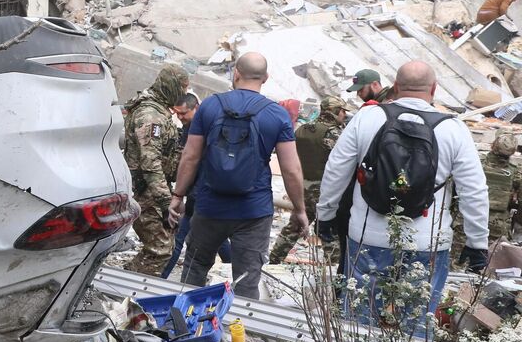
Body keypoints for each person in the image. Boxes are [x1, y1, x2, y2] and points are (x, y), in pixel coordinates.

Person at [316, 61, 489, 320]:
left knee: (359, 320)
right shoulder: (453, 129)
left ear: (395, 87)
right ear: (434, 88)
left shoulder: (367, 117)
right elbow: (474, 190)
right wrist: (477, 243)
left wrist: (325, 214)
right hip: (427, 242)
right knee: (417, 324)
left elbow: (335, 170)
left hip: (367, 237)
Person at [169, 52, 309, 299]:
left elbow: (190, 156)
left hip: (209, 206)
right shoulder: (277, 115)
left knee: (195, 268)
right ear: (265, 78)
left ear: (235, 73)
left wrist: (178, 195)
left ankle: (186, 328)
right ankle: (240, 334)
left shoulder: (210, 106)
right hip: (253, 212)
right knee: (246, 281)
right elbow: (291, 169)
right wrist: (299, 209)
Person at [122, 64, 189, 276]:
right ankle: (127, 290)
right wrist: (165, 201)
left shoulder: (159, 110)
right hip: (144, 192)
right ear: (171, 86)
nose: (184, 94)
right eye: (183, 88)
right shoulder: (151, 116)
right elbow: (150, 163)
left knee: (163, 244)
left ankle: (129, 282)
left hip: (151, 190)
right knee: (160, 248)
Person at [269, 95, 349, 265]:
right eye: (342, 111)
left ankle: (274, 260)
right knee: (329, 231)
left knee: (294, 227)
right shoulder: (337, 135)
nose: (344, 115)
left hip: (301, 188)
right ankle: (332, 270)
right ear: (335, 111)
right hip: (325, 191)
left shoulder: (302, 130)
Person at [163, 92, 233, 277]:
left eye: (183, 113)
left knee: (179, 238)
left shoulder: (203, 126)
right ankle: (234, 268)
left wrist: (181, 194)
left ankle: (160, 280)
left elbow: (193, 160)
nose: (180, 117)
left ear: (196, 108)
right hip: (200, 192)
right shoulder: (191, 125)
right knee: (217, 237)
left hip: (201, 192)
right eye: (176, 113)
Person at [481, 131, 519, 247]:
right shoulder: (516, 172)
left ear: (493, 145)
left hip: (468, 217)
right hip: (499, 222)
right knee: (495, 259)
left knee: (459, 260)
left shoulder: (477, 163)